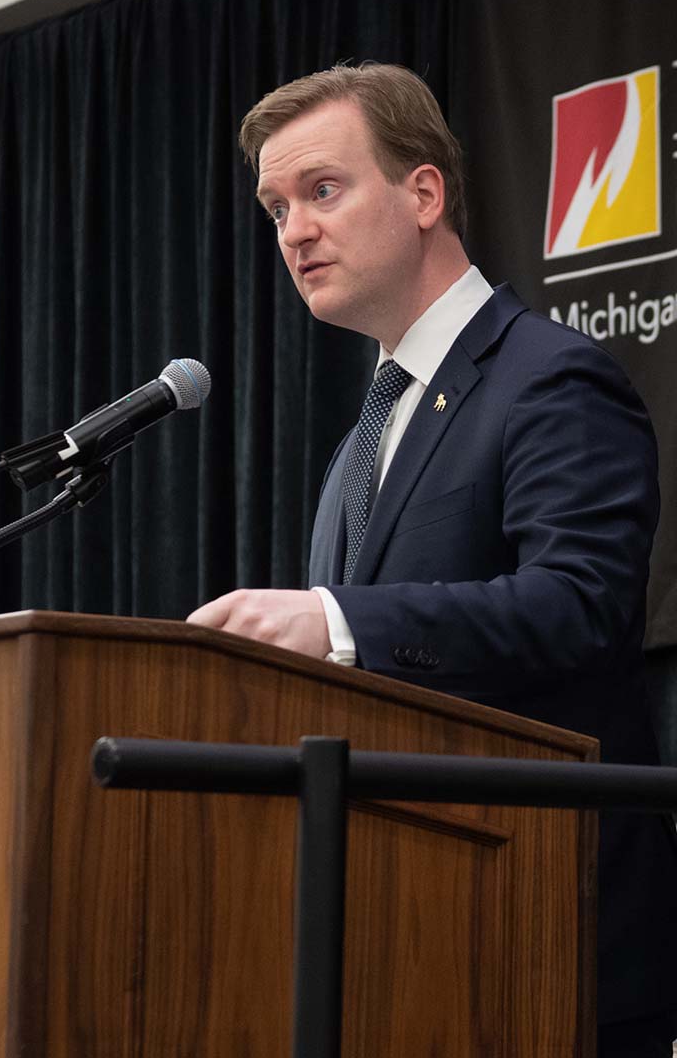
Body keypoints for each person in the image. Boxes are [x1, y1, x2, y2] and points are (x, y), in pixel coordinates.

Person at [187, 62, 677, 1055]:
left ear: (422, 193)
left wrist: (333, 622)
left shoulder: (549, 380)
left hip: (547, 932)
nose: (292, 230)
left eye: (322, 190)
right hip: (392, 938)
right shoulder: (360, 441)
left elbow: (573, 604)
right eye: (276, 207)